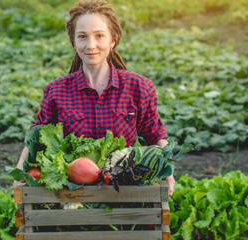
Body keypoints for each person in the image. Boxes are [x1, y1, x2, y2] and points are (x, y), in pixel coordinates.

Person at [14, 0, 175, 196]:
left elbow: (156, 135)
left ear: (112, 40)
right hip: (73, 195)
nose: (91, 45)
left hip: (124, 193)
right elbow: (37, 138)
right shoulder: (56, 91)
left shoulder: (138, 87)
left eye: (99, 36)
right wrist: (20, 173)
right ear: (74, 42)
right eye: (82, 37)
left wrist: (168, 170)